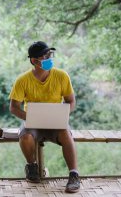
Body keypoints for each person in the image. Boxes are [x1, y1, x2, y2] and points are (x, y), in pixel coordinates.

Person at [8, 41, 80, 193]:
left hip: (56, 121)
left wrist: (64, 114)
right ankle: (32, 166)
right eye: (45, 56)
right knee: (25, 136)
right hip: (32, 122)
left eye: (50, 55)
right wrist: (30, 117)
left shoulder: (62, 76)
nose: (49, 58)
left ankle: (74, 175)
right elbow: (14, 108)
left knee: (66, 133)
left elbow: (71, 101)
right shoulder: (22, 80)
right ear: (34, 61)